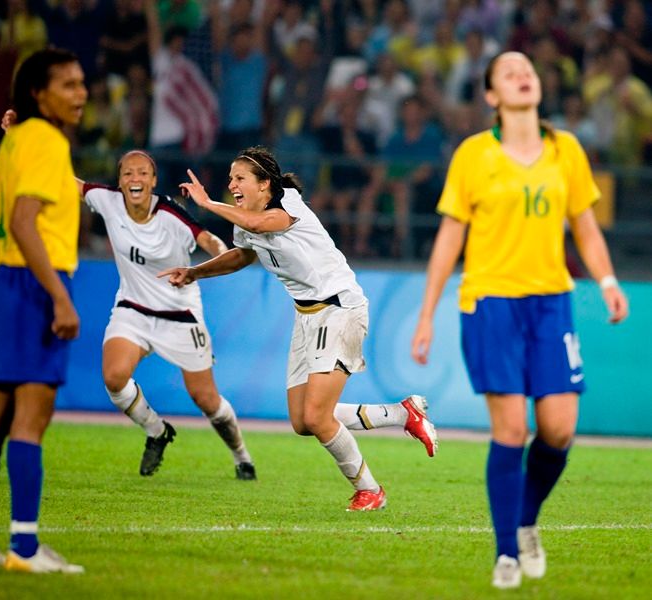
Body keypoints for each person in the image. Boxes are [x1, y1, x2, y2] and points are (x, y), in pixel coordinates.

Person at [410, 52, 629, 589]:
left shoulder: (566, 150)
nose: (524, 74)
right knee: (511, 429)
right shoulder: (473, 155)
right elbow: (449, 238)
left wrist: (606, 281)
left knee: (558, 429)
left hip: (552, 302)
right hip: (491, 304)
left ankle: (526, 519)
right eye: (509, 72)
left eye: (528, 68)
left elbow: (586, 227)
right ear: (491, 96)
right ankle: (506, 552)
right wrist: (426, 315)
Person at [159, 146, 437, 512]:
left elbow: (261, 225)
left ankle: (370, 490)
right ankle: (403, 414)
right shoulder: (247, 217)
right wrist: (195, 271)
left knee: (318, 416)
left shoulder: (289, 204)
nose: (232, 184)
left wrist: (207, 202)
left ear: (265, 184)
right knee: (303, 421)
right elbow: (243, 254)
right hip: (306, 317)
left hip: (339, 309)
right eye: (230, 178)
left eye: (239, 178)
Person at [0, 47, 87, 574]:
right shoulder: (47, 142)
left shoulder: (13, 143)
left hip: (8, 282)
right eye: (68, 84)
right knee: (31, 419)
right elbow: (25, 221)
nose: (81, 93)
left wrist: (12, 271)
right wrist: (55, 294)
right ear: (37, 92)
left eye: (81, 83)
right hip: (37, 285)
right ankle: (24, 549)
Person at [80, 149, 257, 480]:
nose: (135, 179)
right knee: (114, 377)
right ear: (119, 181)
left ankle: (241, 456)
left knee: (206, 399)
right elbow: (64, 182)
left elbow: (209, 240)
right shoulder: (106, 200)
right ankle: (156, 430)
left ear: (154, 181)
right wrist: (21, 139)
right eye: (128, 173)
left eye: (143, 173)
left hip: (180, 312)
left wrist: (222, 259)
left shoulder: (170, 215)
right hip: (132, 308)